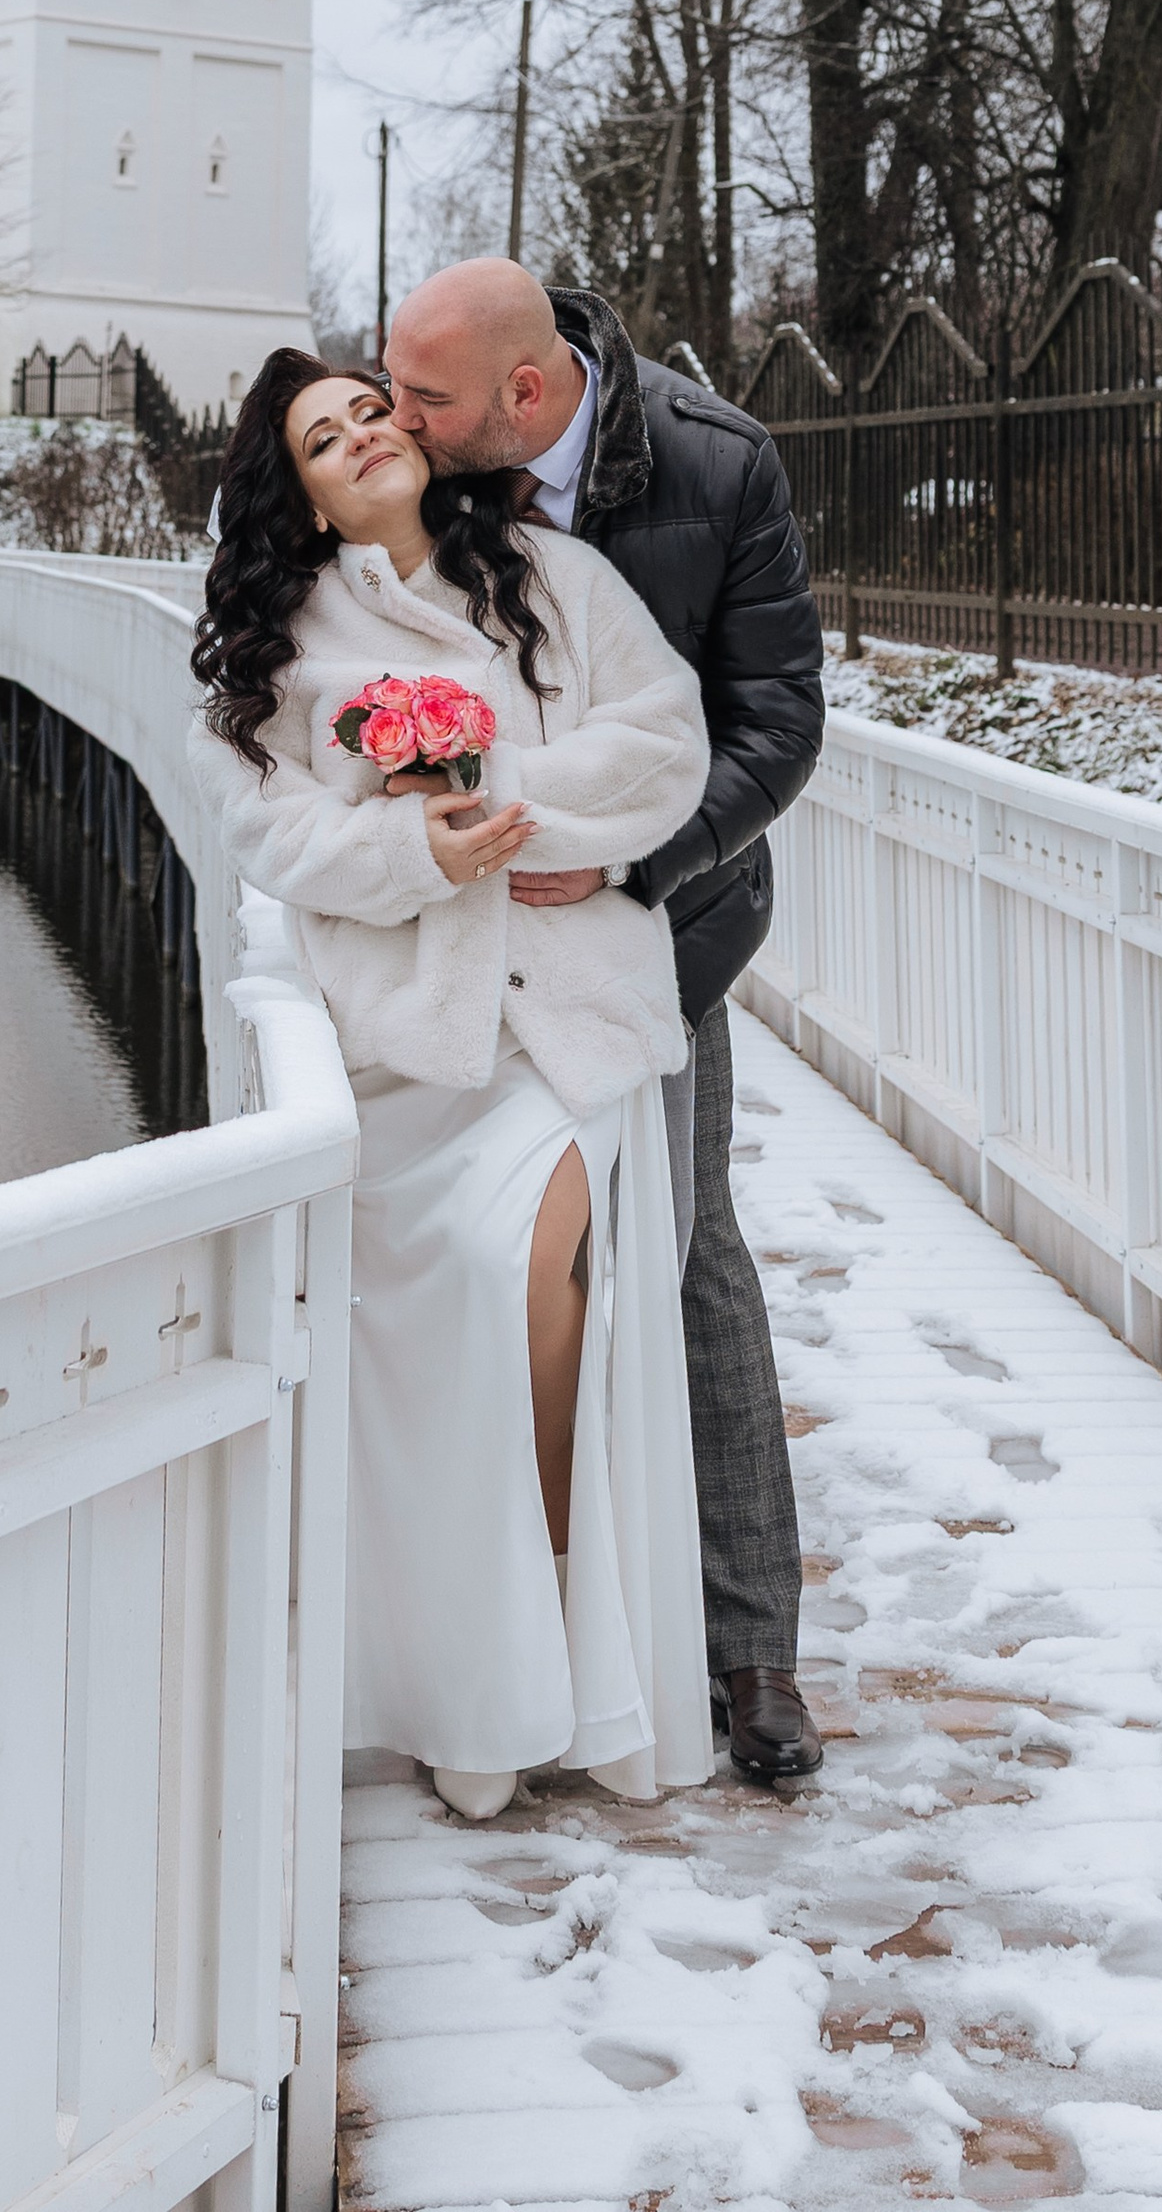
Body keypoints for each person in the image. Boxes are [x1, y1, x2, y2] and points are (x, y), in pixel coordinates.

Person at [188, 346, 715, 1822]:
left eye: (372, 409)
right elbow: (273, 839)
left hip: (564, 1026)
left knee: (533, 1264)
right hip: (409, 1043)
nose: (362, 435)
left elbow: (663, 737)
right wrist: (415, 849)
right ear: (294, 491)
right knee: (442, 1350)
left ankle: (555, 1620)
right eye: (323, 436)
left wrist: (517, 813)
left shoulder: (551, 576)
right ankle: (461, 1685)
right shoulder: (281, 645)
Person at [380, 260, 829, 1787]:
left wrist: (631, 861)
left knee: (688, 1247)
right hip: (446, 952)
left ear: (525, 393)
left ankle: (750, 1647)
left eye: (423, 395)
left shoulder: (715, 464)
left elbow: (775, 724)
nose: (396, 417)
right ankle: (493, 1646)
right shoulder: (422, 461)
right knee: (485, 1266)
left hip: (664, 926)